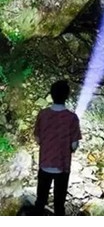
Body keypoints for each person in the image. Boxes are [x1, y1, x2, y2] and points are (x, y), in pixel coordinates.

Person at [34, 80, 82, 216]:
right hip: (62, 167)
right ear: (67, 96)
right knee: (59, 204)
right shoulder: (72, 118)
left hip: (44, 165)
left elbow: (38, 139)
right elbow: (74, 145)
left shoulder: (43, 114)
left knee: (40, 200)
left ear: (51, 94)